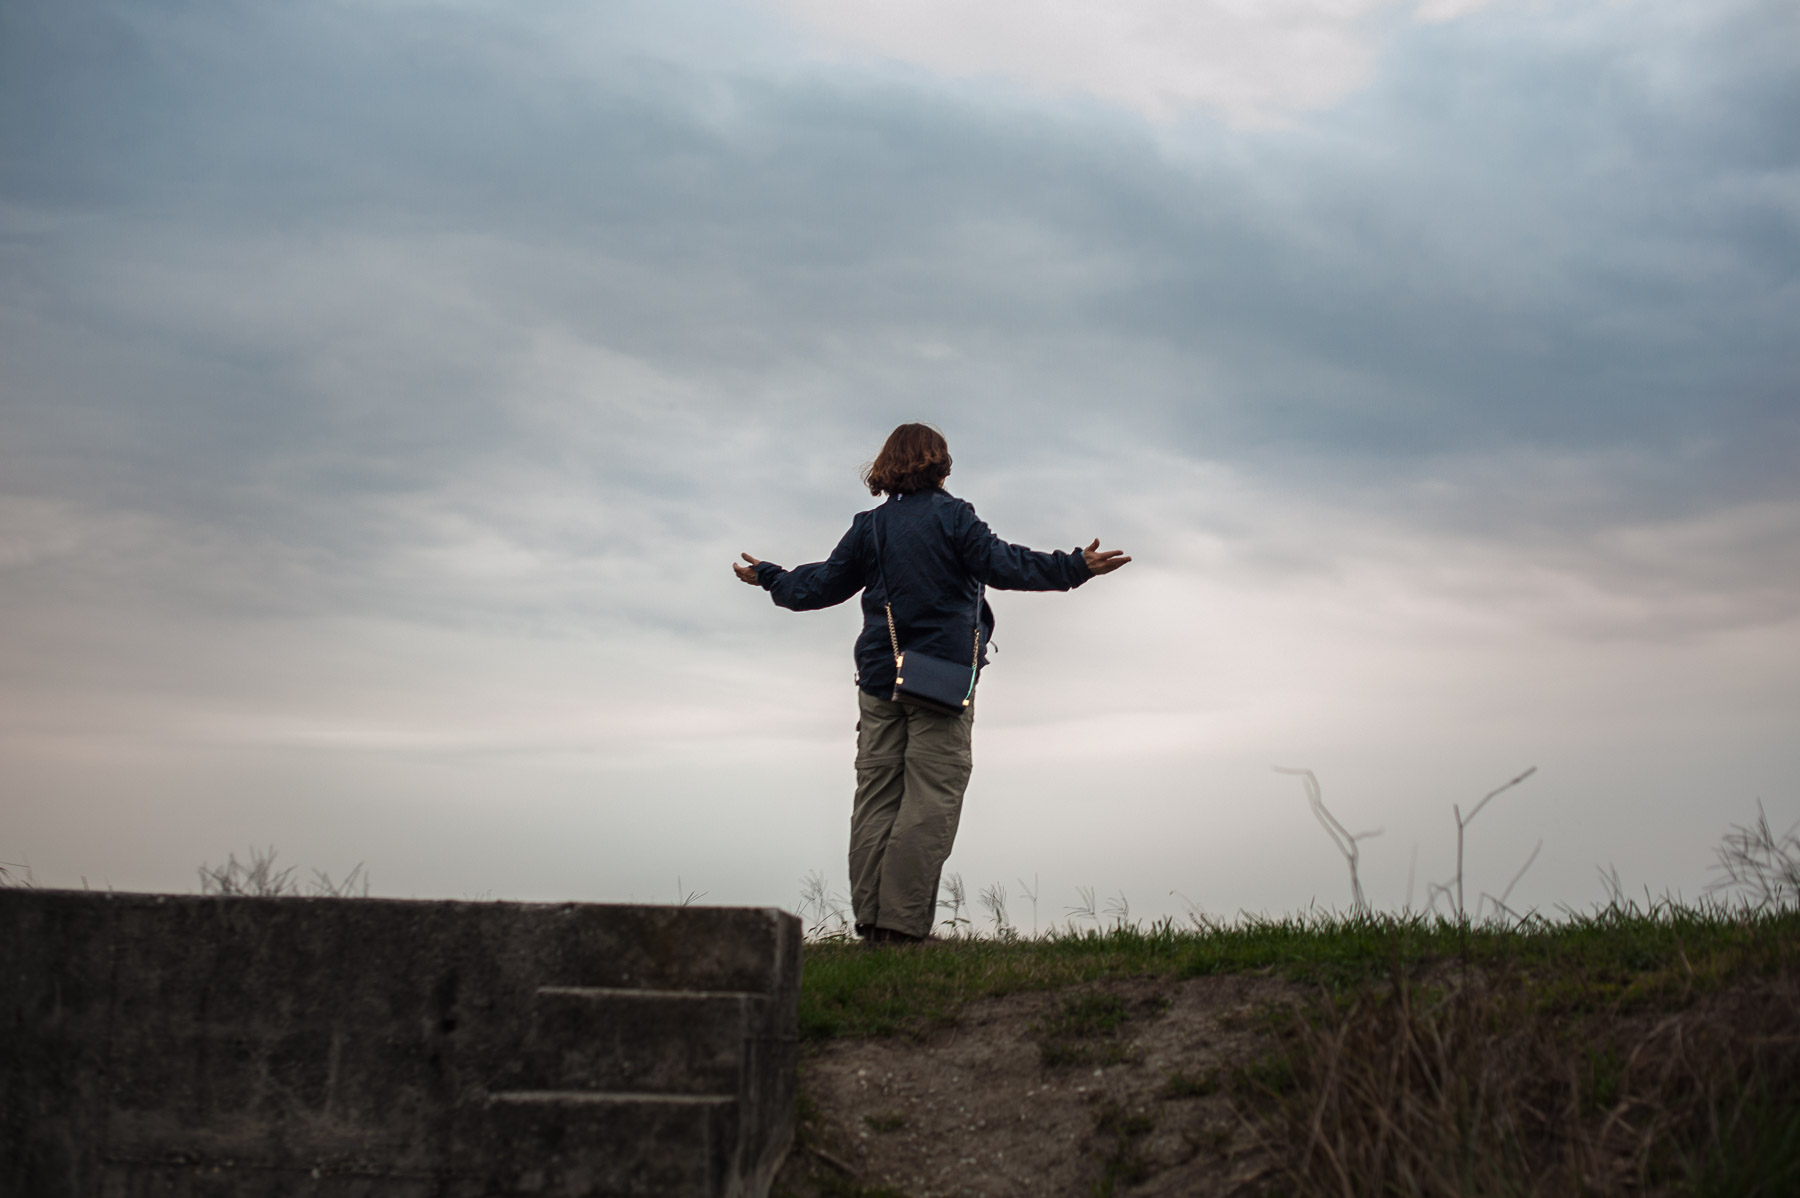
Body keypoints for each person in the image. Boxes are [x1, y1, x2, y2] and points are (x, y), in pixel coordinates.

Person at [732, 423, 1130, 943]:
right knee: (930, 799)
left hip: (879, 678)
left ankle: (873, 924)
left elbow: (820, 586)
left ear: (885, 466)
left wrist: (770, 577)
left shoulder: (869, 526)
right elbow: (1005, 563)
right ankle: (900, 929)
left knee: (876, 799)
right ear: (940, 463)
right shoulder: (953, 516)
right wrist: (1074, 567)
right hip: (940, 681)